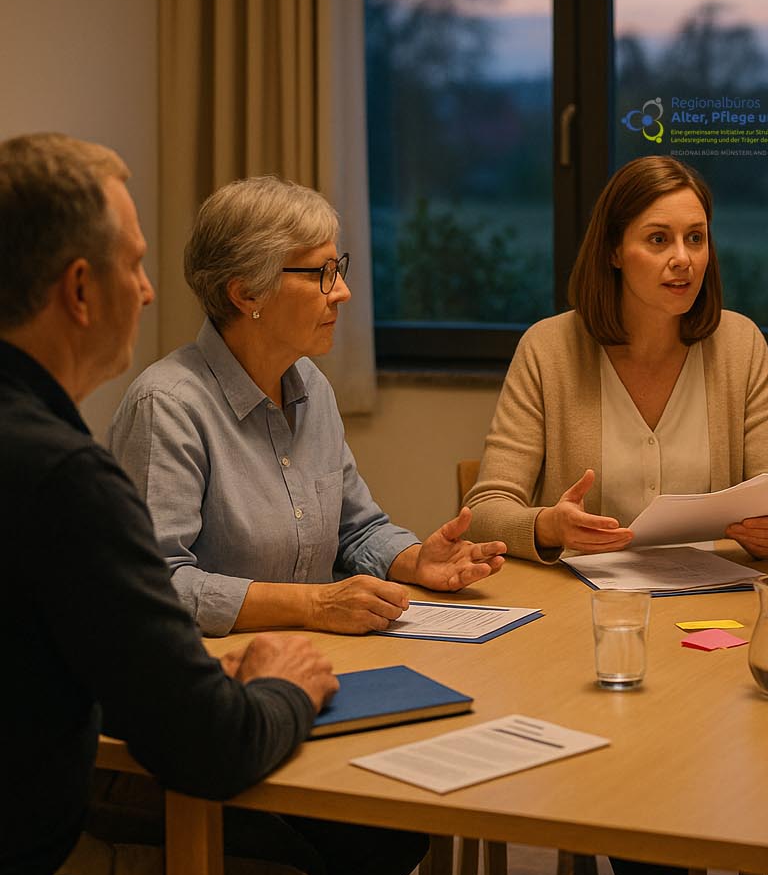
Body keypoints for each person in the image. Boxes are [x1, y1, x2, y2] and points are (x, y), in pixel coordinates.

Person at [0, 132, 337, 875]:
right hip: (44, 866)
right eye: (135, 265)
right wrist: (285, 681)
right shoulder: (64, 478)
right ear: (81, 291)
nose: (151, 292)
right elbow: (208, 747)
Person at [108, 176, 508, 639]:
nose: (342, 292)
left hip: (316, 658)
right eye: (321, 274)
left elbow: (357, 529)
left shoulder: (312, 387)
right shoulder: (167, 408)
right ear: (246, 294)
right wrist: (314, 604)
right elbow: (153, 584)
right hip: (212, 676)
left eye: (338, 268)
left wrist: (417, 561)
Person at [464, 155, 768, 562]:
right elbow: (485, 512)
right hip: (582, 606)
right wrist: (549, 525)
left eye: (696, 238)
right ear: (614, 251)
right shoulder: (548, 349)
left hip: (712, 599)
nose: (683, 258)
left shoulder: (740, 343)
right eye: (658, 239)